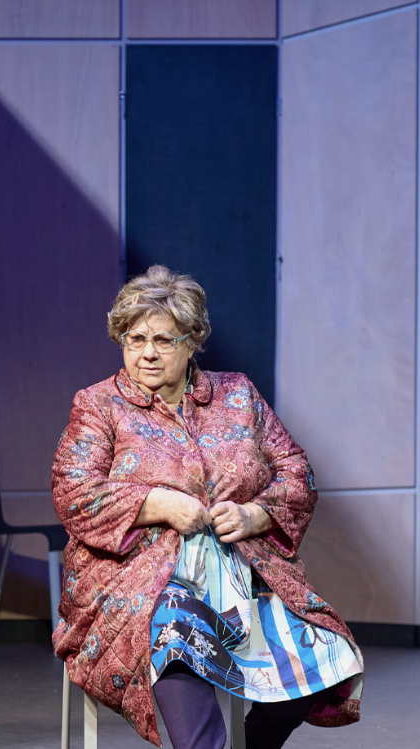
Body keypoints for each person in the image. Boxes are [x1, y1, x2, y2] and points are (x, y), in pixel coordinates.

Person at [51, 265, 362, 749]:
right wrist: (158, 503)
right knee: (175, 630)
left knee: (325, 649)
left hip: (244, 571)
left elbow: (296, 472)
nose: (147, 353)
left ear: (192, 341)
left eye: (163, 340)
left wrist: (254, 515)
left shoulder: (237, 394)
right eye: (135, 339)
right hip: (139, 577)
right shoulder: (99, 405)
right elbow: (73, 490)